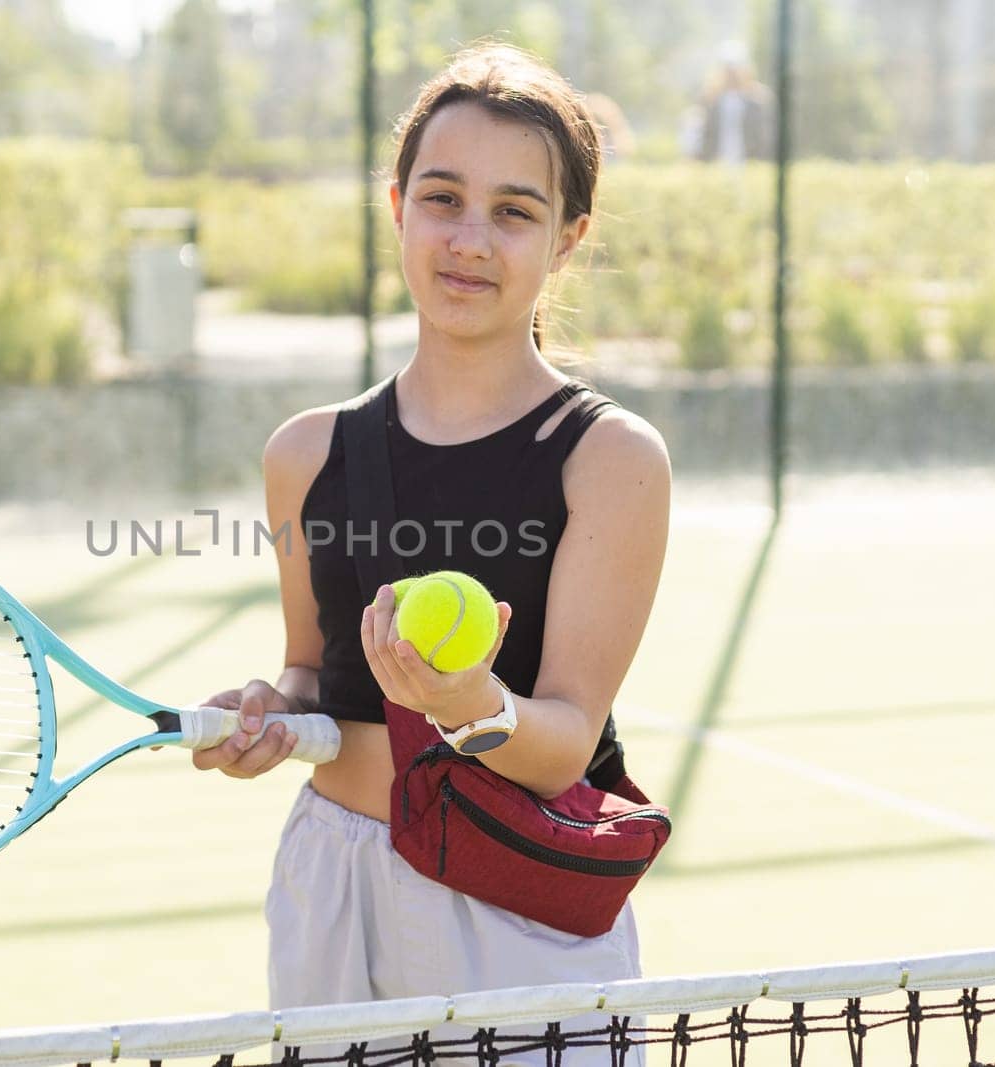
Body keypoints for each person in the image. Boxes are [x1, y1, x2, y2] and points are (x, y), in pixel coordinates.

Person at [191, 42, 670, 1064]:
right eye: (442, 198)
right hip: (329, 883)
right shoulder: (303, 453)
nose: (469, 238)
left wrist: (467, 702)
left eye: (513, 210)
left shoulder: (610, 458)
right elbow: (314, 670)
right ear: (398, 204)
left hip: (511, 907)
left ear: (566, 238)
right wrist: (271, 713)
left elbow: (565, 739)